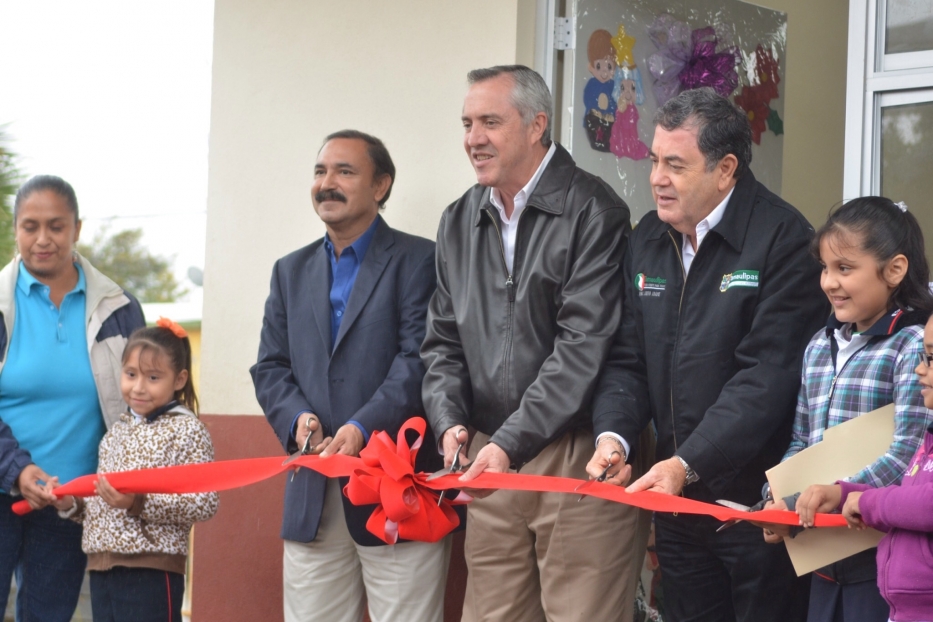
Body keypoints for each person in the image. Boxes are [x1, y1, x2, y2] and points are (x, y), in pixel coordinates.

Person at [587, 87, 828, 622]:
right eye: (654, 161)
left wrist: (686, 464)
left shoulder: (785, 240)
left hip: (759, 508)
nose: (656, 179)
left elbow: (767, 376)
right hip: (677, 505)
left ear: (725, 170)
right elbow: (627, 359)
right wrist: (615, 437)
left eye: (676, 164)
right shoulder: (648, 236)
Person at [422, 64, 651, 622]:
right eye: (467, 123)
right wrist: (451, 422)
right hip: (489, 457)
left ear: (536, 125)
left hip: (578, 453)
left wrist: (506, 444)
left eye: (490, 122)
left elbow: (583, 346)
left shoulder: (594, 210)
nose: (473, 138)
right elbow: (441, 342)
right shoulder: (458, 220)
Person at [250, 129, 449, 622]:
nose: (327, 183)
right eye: (320, 171)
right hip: (312, 492)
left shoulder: (419, 260)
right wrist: (299, 420)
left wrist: (360, 427)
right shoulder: (288, 271)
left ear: (381, 186)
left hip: (395, 491)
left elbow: (419, 359)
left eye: (344, 171)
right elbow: (270, 365)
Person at [761, 197, 933, 622]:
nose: (829, 282)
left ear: (895, 270)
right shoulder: (819, 347)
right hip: (822, 561)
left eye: (845, 268)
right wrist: (778, 499)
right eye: (824, 267)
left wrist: (836, 495)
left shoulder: (913, 346)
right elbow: (802, 440)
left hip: (884, 561)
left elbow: (908, 454)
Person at [0, 175, 145, 621]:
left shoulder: (118, 309)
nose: (43, 239)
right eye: (30, 226)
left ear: (77, 229)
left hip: (71, 502)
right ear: (16, 229)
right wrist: (17, 469)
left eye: (56, 226)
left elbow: (144, 406)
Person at [51, 319, 218, 622]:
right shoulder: (115, 431)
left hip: (152, 569)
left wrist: (136, 502)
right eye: (130, 375)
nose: (138, 387)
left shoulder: (188, 430)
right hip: (103, 568)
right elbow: (102, 502)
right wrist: (70, 504)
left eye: (153, 377)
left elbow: (204, 502)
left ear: (179, 380)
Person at [830, 312, 933, 622]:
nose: (920, 369)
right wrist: (847, 495)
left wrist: (869, 501)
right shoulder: (927, 444)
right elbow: (908, 509)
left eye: (931, 358)